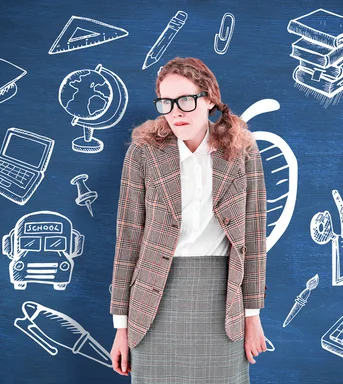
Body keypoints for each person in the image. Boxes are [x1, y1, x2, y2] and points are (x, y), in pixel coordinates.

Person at [109, 56, 268, 383]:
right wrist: (120, 328)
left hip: (223, 301)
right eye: (166, 102)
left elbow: (253, 241)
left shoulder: (243, 151)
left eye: (185, 99)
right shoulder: (143, 152)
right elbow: (127, 243)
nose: (176, 111)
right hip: (152, 302)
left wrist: (252, 317)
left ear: (209, 98)